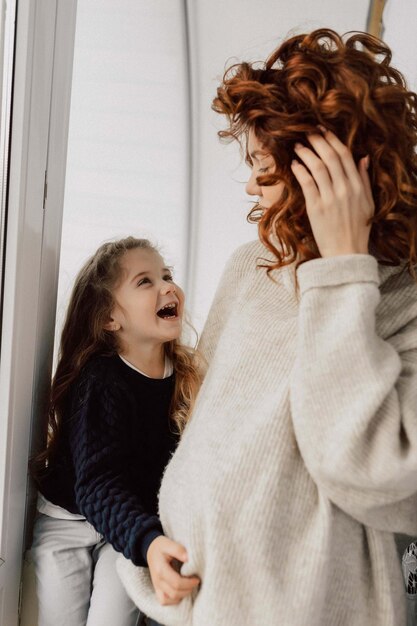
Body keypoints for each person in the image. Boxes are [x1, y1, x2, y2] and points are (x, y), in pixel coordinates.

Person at [117, 29, 417, 626]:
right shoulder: (250, 265)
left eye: (263, 166)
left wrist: (340, 274)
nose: (252, 187)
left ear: (327, 174)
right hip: (184, 602)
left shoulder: (404, 301)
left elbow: (380, 476)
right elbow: (202, 429)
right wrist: (149, 543)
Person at [29, 237, 201, 626]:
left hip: (126, 527)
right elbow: (97, 484)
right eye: (145, 281)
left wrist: (147, 539)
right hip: (69, 521)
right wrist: (148, 541)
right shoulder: (100, 381)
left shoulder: (188, 378)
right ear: (110, 318)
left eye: (167, 275)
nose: (167, 286)